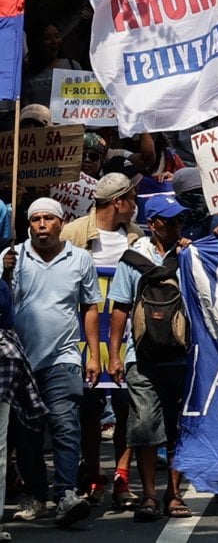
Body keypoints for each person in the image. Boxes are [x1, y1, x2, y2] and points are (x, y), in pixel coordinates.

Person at [9, 198, 99, 526]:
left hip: (63, 357)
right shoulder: (12, 258)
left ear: (62, 223)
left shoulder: (80, 259)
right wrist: (4, 274)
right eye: (36, 220)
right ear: (28, 225)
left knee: (65, 424)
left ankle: (65, 494)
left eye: (49, 218)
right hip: (20, 360)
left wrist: (92, 354)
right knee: (26, 433)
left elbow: (90, 306)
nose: (42, 225)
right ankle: (35, 494)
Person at [107, 195, 193, 523]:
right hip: (140, 358)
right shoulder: (132, 260)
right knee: (144, 425)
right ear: (153, 223)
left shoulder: (189, 256)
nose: (175, 226)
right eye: (169, 221)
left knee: (177, 428)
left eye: (179, 221)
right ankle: (149, 495)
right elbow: (119, 308)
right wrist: (114, 356)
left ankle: (173, 494)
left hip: (181, 357)